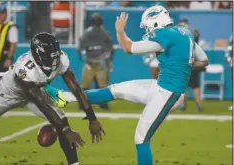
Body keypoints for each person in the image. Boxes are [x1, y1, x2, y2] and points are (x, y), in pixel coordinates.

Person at [45, 6, 209, 165]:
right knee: (116, 90)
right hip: (161, 86)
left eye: (148, 25)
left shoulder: (164, 35)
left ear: (156, 22)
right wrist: (184, 65)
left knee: (141, 138)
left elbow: (128, 48)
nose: (148, 30)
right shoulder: (185, 32)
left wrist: (120, 30)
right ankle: (63, 97)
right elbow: (203, 60)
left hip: (169, 92)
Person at [0, 32, 105, 165]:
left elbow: (76, 88)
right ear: (37, 57)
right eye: (48, 57)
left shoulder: (61, 60)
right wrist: (66, 131)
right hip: (10, 93)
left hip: (35, 92)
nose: (53, 60)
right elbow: (42, 103)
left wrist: (91, 117)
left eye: (54, 55)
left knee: (62, 121)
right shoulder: (25, 70)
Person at [78, 13, 114, 110]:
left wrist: (86, 58)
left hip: (94, 63)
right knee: (89, 86)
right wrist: (108, 60)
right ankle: (87, 104)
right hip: (95, 63)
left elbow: (80, 48)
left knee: (98, 86)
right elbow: (111, 49)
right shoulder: (103, 33)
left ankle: (89, 104)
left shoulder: (93, 33)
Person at [178, 19, 203, 112]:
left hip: (189, 63)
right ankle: (187, 104)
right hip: (190, 63)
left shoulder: (188, 34)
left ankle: (196, 104)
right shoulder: (191, 33)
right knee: (187, 86)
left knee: (191, 85)